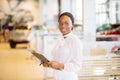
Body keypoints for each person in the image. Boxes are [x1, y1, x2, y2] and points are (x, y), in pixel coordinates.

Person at [43, 12, 83, 80]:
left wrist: (59, 65)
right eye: (60, 23)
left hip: (69, 77)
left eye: (66, 23)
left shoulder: (75, 40)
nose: (63, 26)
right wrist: (50, 64)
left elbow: (77, 65)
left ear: (72, 25)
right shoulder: (60, 38)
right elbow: (59, 59)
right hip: (57, 77)